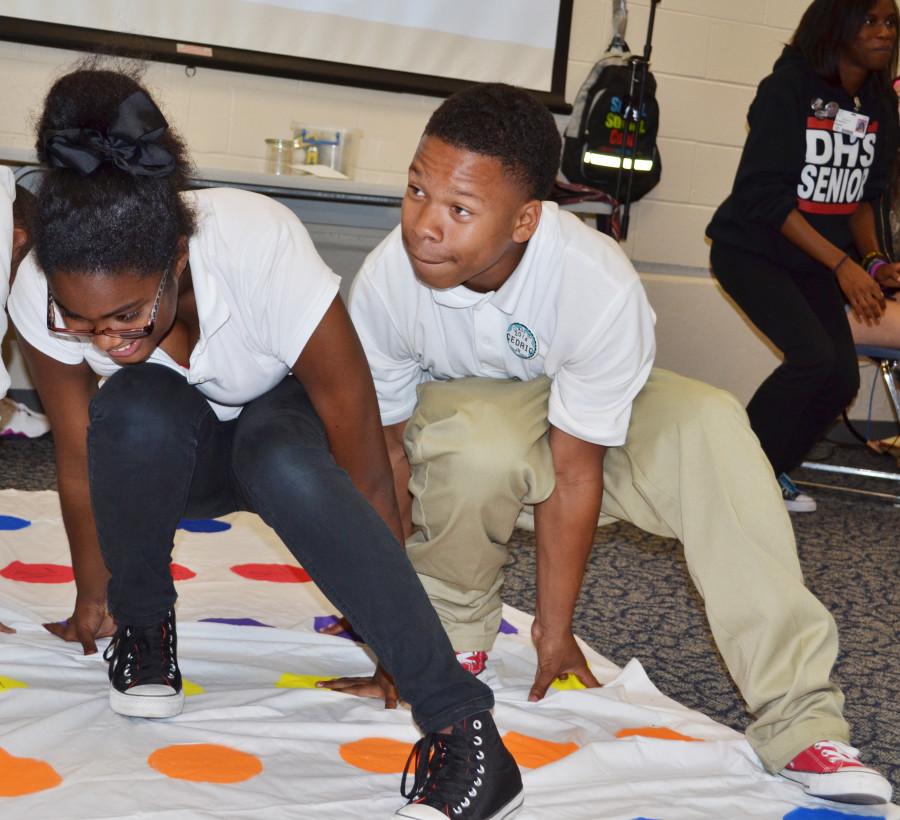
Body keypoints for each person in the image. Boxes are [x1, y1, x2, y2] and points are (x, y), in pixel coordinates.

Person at [338, 82, 893, 806]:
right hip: (466, 447)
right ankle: (451, 637)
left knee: (714, 426)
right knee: (481, 437)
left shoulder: (594, 279)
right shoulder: (386, 282)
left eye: (459, 209)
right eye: (416, 190)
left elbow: (575, 473)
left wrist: (554, 632)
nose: (424, 226)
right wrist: (396, 629)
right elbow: (384, 462)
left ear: (526, 220)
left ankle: (799, 721)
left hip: (575, 440)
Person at [8, 64, 524, 820]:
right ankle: (147, 635)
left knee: (280, 457)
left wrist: (392, 644)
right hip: (172, 456)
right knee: (134, 403)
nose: (104, 339)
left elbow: (362, 454)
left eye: (123, 316)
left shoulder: (256, 243)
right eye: (79, 324)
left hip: (281, 427)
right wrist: (100, 594)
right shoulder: (39, 293)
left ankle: (466, 732)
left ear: (176, 264)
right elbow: (82, 455)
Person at [707, 0, 900, 514]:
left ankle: (765, 474)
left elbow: (861, 197)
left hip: (815, 260)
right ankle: (725, 477)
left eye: (890, 23)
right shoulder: (788, 91)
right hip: (752, 250)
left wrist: (875, 262)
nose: (883, 33)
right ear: (836, 24)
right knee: (812, 359)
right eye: (870, 21)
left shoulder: (879, 104)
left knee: (840, 378)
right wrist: (843, 266)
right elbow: (768, 199)